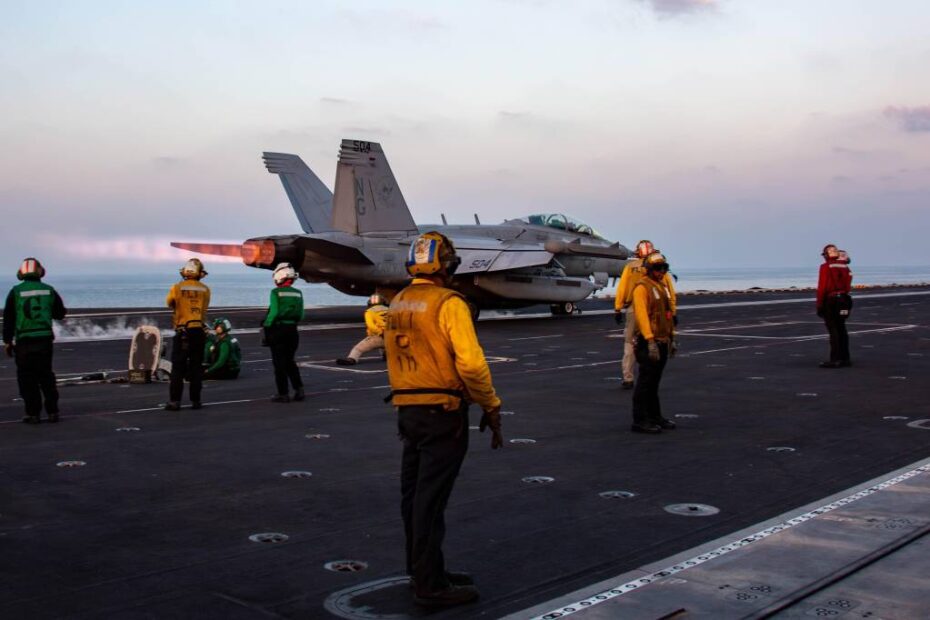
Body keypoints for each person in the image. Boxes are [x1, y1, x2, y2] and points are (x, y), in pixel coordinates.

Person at [384, 231, 503, 608]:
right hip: (443, 412)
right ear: (446, 266)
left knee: (414, 496)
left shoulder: (398, 301)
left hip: (408, 411)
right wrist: (491, 405)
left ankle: (421, 569)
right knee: (431, 500)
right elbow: (470, 362)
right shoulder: (450, 303)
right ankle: (430, 585)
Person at [3, 258, 67, 424]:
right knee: (46, 375)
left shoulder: (15, 292)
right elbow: (60, 313)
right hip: (44, 340)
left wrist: (8, 341)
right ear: (40, 271)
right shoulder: (49, 290)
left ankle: (33, 413)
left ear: (22, 272)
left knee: (27, 378)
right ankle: (53, 411)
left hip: (24, 341)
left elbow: (9, 318)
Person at [614, 241, 677, 389]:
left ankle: (628, 377)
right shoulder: (660, 269)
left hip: (633, 309)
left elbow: (622, 288)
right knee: (656, 340)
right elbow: (669, 292)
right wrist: (673, 312)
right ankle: (650, 371)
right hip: (656, 310)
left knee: (629, 343)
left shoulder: (630, 267)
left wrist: (617, 308)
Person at [629, 252, 677, 434]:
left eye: (663, 268)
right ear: (649, 269)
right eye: (657, 268)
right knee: (645, 382)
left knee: (654, 382)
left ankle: (655, 416)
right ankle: (640, 420)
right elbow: (641, 315)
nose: (661, 271)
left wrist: (672, 338)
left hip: (662, 340)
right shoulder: (642, 287)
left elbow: (667, 313)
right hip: (648, 342)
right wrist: (649, 341)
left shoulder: (662, 285)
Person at [165, 258, 210, 411]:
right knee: (196, 367)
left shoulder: (177, 288)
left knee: (178, 368)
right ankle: (196, 401)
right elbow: (204, 310)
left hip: (183, 331)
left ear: (185, 272)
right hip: (198, 331)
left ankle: (175, 401)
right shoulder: (205, 289)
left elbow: (169, 303)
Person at [264, 262, 305, 402]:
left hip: (278, 330)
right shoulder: (298, 293)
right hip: (293, 331)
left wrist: (267, 325)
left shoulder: (276, 293)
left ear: (280, 275)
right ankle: (299, 390)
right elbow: (301, 315)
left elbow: (273, 312)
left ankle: (283, 394)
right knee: (290, 362)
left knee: (279, 364)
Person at [816, 244, 853, 368]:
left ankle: (835, 359)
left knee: (833, 330)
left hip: (831, 300)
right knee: (842, 328)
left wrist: (819, 304)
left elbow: (822, 287)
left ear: (826, 255)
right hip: (844, 299)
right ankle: (845, 358)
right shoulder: (845, 267)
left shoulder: (825, 267)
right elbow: (848, 286)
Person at [336, 294, 388, 365]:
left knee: (358, 349)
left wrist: (381, 333)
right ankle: (387, 355)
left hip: (379, 336)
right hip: (392, 335)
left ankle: (352, 359)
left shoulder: (369, 311)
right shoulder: (389, 309)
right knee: (385, 345)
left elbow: (371, 326)